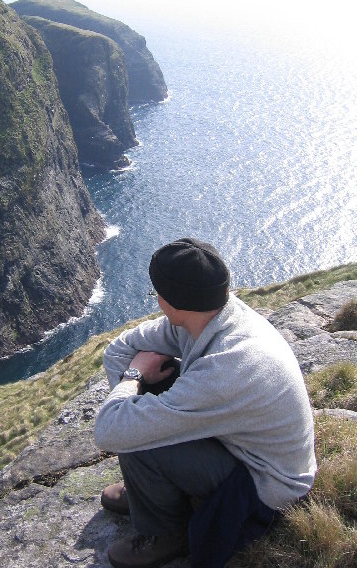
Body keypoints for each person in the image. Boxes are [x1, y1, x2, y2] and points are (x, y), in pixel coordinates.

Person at [94, 238, 316, 568]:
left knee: (137, 436)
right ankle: (152, 492)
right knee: (141, 417)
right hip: (243, 443)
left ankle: (167, 532)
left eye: (158, 292)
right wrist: (138, 388)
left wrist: (133, 377)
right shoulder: (210, 315)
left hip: (265, 482)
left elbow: (110, 430)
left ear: (173, 302)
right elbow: (119, 348)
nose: (155, 298)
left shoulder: (228, 367)